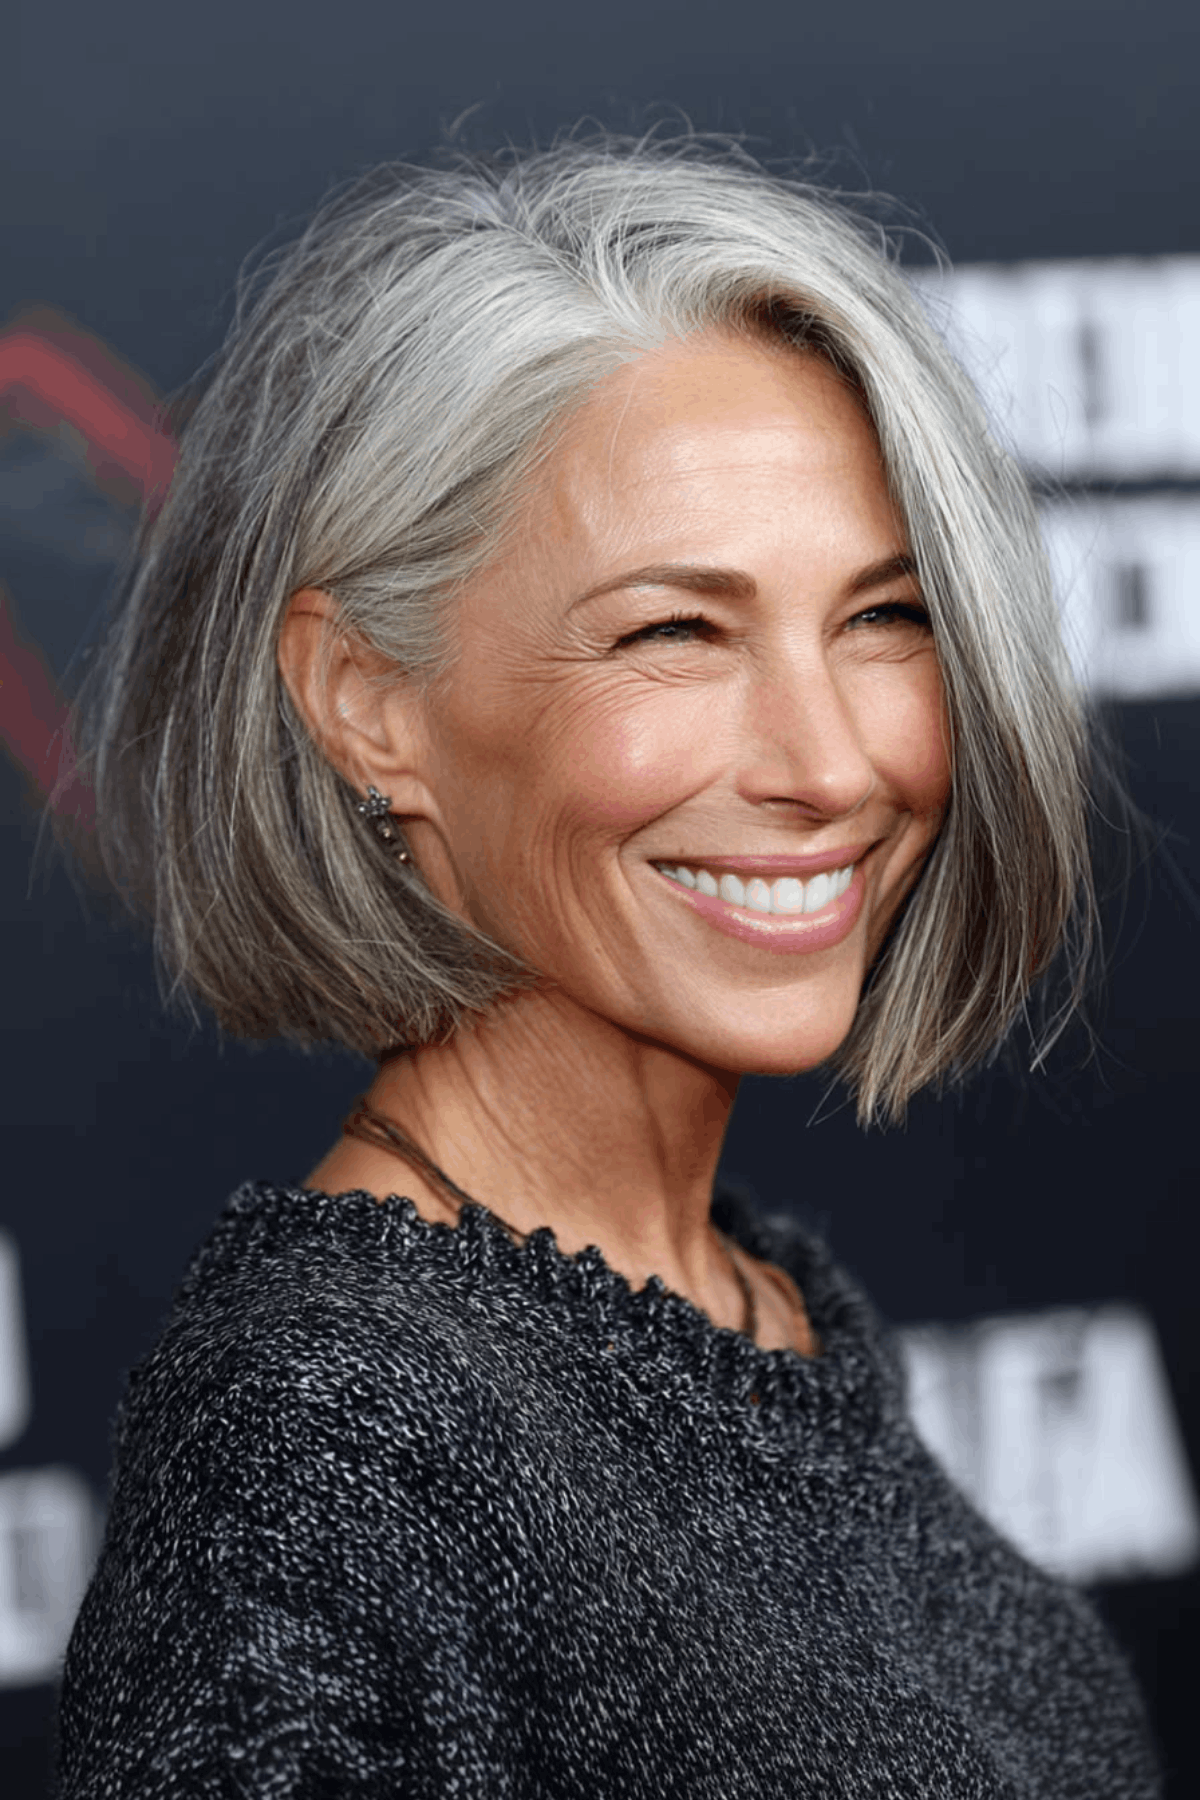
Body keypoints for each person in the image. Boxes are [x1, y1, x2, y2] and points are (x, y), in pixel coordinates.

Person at [51, 133, 1160, 1796]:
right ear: (366, 701)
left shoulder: (759, 1304)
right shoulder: (330, 1428)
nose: (830, 762)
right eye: (675, 633)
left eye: (883, 618)